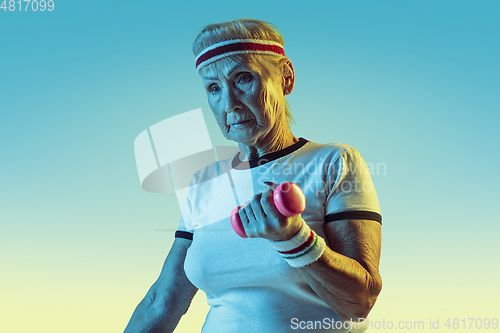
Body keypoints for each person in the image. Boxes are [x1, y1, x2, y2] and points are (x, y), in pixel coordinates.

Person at [124, 19, 382, 333]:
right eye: (214, 88)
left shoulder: (333, 161)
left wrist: (294, 239)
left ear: (286, 77)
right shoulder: (204, 182)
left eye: (243, 78)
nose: (229, 103)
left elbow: (358, 303)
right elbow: (162, 302)